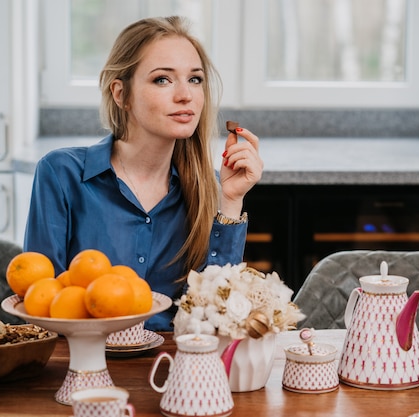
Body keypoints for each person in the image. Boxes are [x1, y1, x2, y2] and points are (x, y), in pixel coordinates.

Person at [23, 16, 263, 331]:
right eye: (162, 79)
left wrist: (230, 202)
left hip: (175, 368)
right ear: (121, 94)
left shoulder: (208, 187)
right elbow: (41, 306)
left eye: (195, 79)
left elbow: (212, 317)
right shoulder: (60, 175)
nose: (185, 95)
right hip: (83, 363)